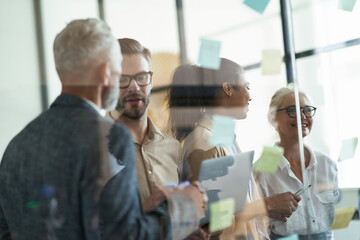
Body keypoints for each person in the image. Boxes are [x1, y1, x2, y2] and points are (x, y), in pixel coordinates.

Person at [0, 18, 204, 240]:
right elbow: (124, 236)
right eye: (119, 72)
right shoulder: (109, 137)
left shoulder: (16, 146)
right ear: (106, 70)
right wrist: (183, 210)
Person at [167, 59, 301, 240]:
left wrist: (264, 210)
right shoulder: (205, 144)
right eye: (246, 86)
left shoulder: (223, 139)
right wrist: (267, 204)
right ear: (228, 89)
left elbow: (233, 204)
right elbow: (213, 220)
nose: (250, 96)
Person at [107, 38, 209, 239]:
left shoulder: (172, 147)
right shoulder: (92, 149)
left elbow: (177, 223)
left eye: (141, 77)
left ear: (151, 80)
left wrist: (191, 231)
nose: (134, 87)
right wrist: (147, 206)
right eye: (122, 79)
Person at [254, 87, 339, 240]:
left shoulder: (327, 164)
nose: (302, 116)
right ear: (272, 118)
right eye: (292, 110)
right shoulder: (261, 170)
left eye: (307, 110)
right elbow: (256, 226)